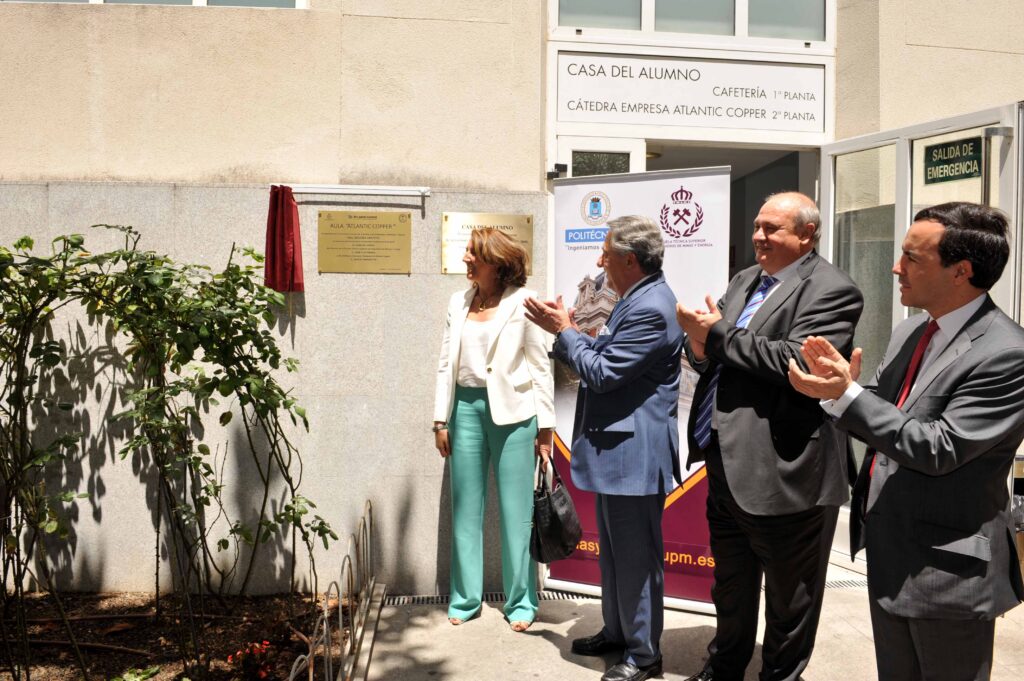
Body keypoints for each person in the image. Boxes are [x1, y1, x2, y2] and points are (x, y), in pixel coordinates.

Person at [788, 202, 1024, 681]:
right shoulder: (913, 329)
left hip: (948, 573)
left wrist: (849, 396)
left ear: (962, 271)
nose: (897, 267)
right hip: (893, 555)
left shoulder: (1007, 353)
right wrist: (838, 392)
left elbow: (938, 448)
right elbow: (883, 407)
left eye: (912, 258)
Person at [676, 192, 863, 681]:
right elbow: (720, 354)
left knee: (790, 601)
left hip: (784, 472)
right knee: (731, 585)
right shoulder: (745, 280)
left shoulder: (832, 289)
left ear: (806, 234)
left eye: (772, 228)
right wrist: (700, 347)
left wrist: (714, 335)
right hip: (725, 462)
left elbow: (796, 361)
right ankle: (724, 667)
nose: (759, 236)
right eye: (757, 226)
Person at [525, 215, 682, 681]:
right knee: (616, 555)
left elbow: (604, 373)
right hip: (619, 456)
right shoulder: (635, 299)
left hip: (634, 458)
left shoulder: (652, 306)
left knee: (637, 559)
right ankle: (618, 632)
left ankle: (644, 654)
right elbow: (606, 359)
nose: (599, 261)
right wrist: (570, 331)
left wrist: (564, 330)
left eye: (606, 253)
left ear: (629, 260)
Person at [432, 227, 555, 632]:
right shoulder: (458, 301)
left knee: (517, 512)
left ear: (496, 263)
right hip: (463, 410)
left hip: (516, 414)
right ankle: (465, 598)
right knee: (465, 508)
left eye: (473, 254)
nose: (465, 259)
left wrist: (546, 427)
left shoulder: (525, 303)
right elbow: (446, 362)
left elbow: (540, 365)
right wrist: (439, 418)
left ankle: (521, 601)